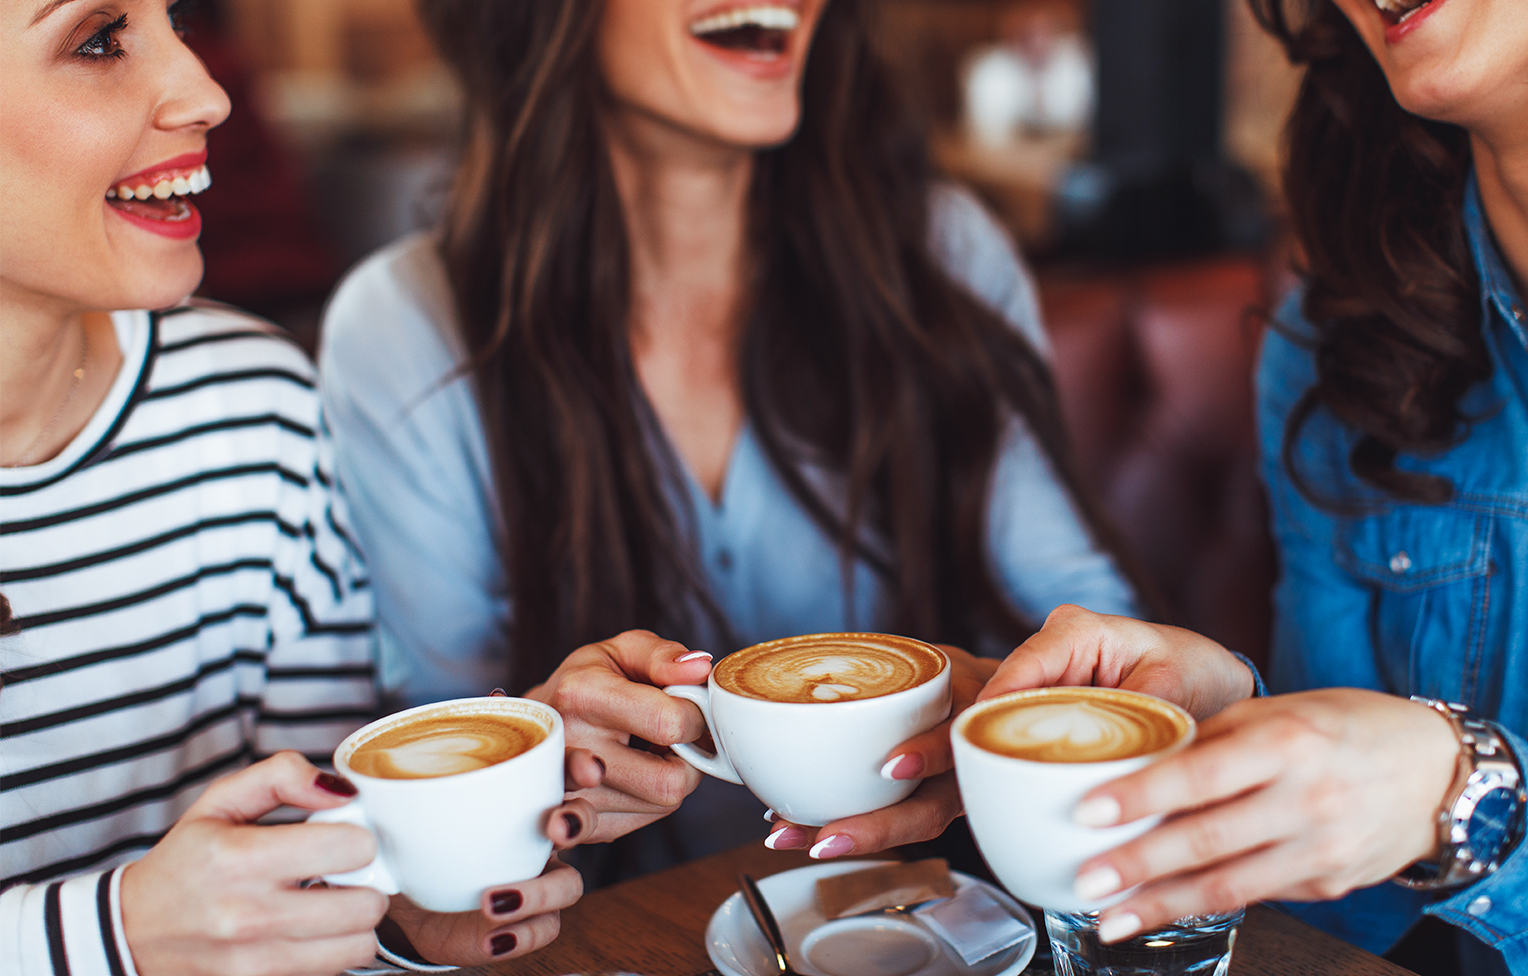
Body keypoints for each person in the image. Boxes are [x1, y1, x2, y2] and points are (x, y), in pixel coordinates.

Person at [319, 0, 1139, 881]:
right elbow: (437, 752)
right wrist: (543, 733)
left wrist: (1019, 695)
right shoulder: (403, 328)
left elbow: (1095, 627)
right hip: (604, 951)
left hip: (929, 928)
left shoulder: (942, 257)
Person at [0, 2, 640, 976]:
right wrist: (112, 942)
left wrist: (411, 884)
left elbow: (305, 845)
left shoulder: (249, 402)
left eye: (171, 19)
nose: (207, 91)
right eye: (98, 39)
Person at [975, 0, 1528, 976]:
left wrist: (1471, 799)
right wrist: (1231, 718)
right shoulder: (1338, 337)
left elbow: (1435, 799)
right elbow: (1346, 911)